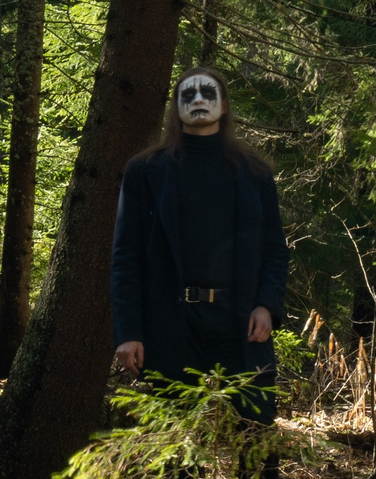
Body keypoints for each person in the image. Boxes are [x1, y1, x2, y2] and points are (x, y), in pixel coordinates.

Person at [109, 66, 290, 418]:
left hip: (240, 321)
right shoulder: (145, 171)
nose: (197, 100)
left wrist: (266, 305)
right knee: (177, 437)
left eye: (207, 93)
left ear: (224, 106)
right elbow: (125, 258)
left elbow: (274, 249)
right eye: (187, 95)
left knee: (254, 428)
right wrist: (128, 331)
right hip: (171, 323)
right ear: (175, 107)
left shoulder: (254, 172)